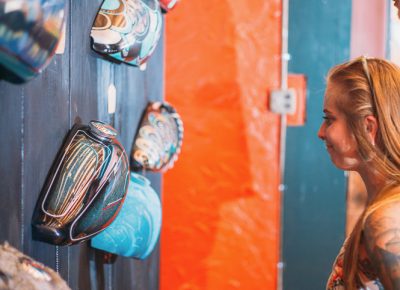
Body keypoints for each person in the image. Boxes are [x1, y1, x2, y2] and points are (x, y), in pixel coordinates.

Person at [318, 56, 400, 290]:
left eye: (329, 119)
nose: (321, 132)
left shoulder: (385, 221)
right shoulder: (383, 208)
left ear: (368, 128)